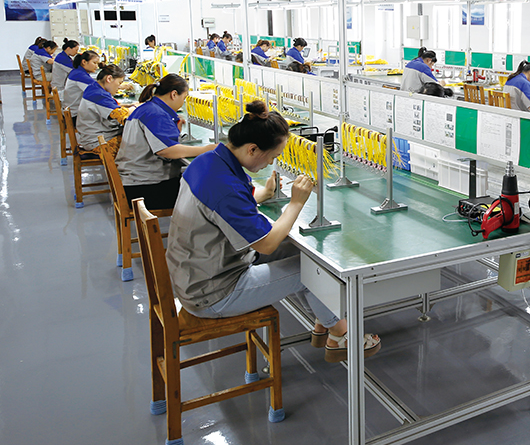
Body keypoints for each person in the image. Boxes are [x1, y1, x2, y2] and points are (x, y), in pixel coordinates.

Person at [166, 101, 381, 361]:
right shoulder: (225, 187)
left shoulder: (210, 162)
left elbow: (223, 209)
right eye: (272, 156)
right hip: (212, 293)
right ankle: (341, 335)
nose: (271, 162)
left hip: (197, 272)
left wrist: (264, 194)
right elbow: (266, 244)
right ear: (252, 148)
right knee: (312, 270)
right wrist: (296, 203)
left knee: (305, 253)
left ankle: (327, 323)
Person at [116, 74, 217, 210]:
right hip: (143, 189)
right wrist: (207, 149)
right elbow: (167, 151)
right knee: (207, 193)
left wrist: (174, 132)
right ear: (174, 94)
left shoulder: (148, 108)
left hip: (134, 181)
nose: (183, 103)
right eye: (184, 98)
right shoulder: (156, 114)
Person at [76, 64, 132, 155]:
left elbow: (111, 106)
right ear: (109, 79)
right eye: (119, 83)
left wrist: (129, 106)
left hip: (95, 137)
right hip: (98, 142)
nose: (119, 87)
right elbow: (120, 114)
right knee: (139, 142)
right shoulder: (99, 94)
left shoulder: (94, 88)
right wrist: (136, 108)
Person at [63, 50, 101, 116]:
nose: (96, 66)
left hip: (73, 110)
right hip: (75, 115)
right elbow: (97, 90)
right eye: (94, 63)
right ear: (84, 62)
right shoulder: (79, 75)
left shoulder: (78, 71)